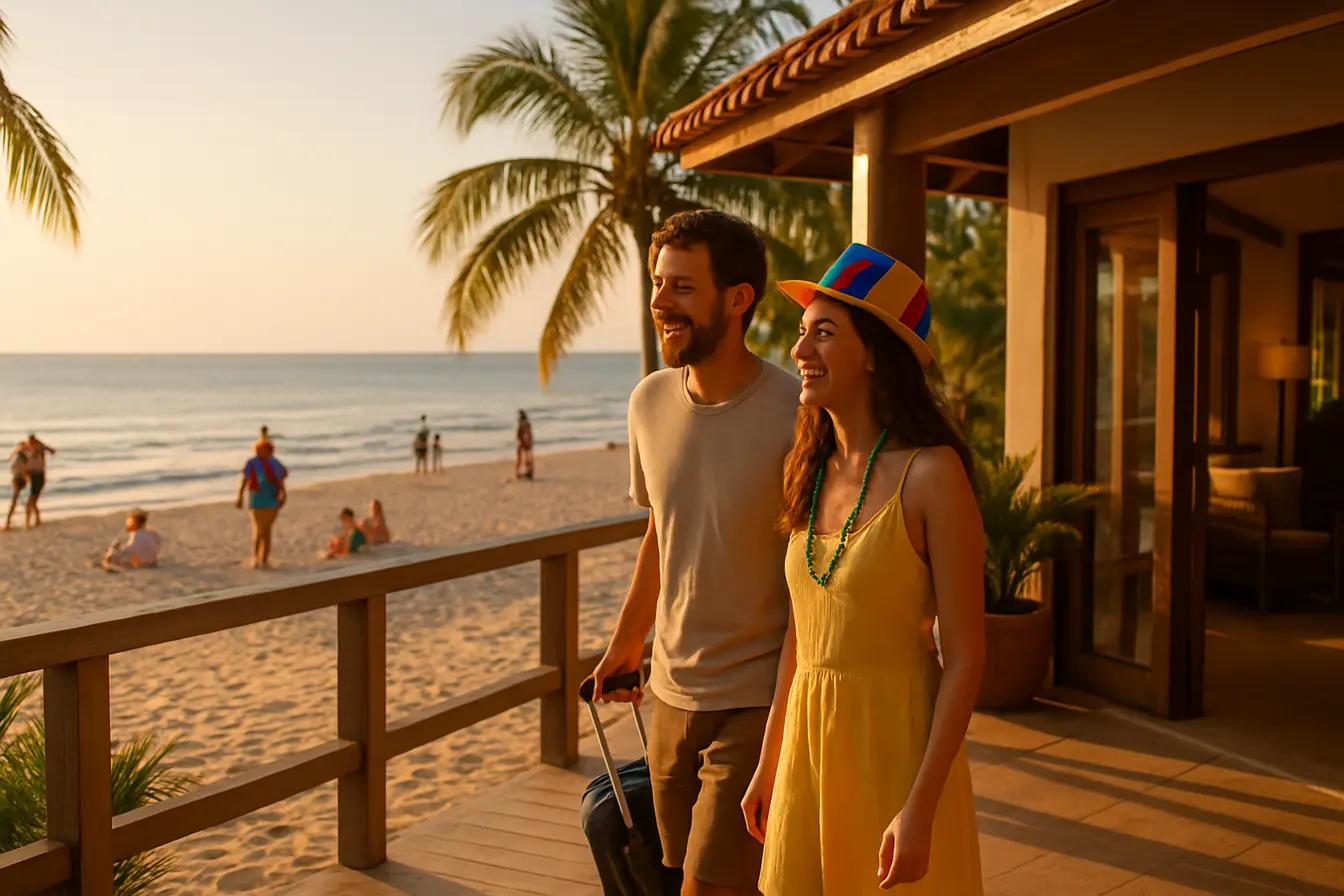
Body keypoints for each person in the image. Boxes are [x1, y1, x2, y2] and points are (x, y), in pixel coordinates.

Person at [741, 244, 986, 894]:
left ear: (876, 352)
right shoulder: (808, 471)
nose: (800, 350)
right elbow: (801, 636)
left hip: (895, 753)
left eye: (824, 332)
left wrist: (921, 807)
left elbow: (966, 658)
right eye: (801, 332)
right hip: (807, 751)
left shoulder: (932, 475)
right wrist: (769, 763)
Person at [590, 209, 798, 896]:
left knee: (707, 886)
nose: (660, 302)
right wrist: (627, 644)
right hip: (670, 692)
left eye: (682, 286)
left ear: (738, 299)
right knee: (676, 873)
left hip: (759, 696)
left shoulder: (798, 410)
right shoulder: (648, 402)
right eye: (657, 283)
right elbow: (663, 532)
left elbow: (816, 566)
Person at [235, 438, 288, 569]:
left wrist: (284, 495)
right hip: (256, 499)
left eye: (262, 449)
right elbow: (245, 480)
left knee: (267, 530)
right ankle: (255, 557)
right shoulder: (251, 463)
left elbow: (281, 481)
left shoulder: (275, 463)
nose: (259, 452)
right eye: (258, 449)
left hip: (271, 498)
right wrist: (240, 496)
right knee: (258, 530)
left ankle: (264, 559)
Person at [21, 434, 56, 529]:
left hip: (39, 476)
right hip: (32, 476)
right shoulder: (28, 449)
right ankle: (36, 519)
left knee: (32, 499)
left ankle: (29, 521)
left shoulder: (40, 450)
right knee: (33, 500)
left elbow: (52, 451)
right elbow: (21, 453)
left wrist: (41, 444)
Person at [5, 441, 28, 532]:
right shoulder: (24, 457)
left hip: (19, 479)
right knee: (25, 500)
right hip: (20, 479)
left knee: (15, 501)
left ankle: (8, 523)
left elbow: (15, 469)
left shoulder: (22, 457)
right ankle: (30, 520)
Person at [515, 411, 534, 481]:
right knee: (528, 457)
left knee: (519, 458)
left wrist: (520, 441)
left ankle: (518, 473)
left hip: (522, 442)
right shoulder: (528, 425)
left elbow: (518, 435)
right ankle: (529, 472)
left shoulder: (521, 425)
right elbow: (530, 434)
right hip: (528, 442)